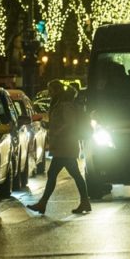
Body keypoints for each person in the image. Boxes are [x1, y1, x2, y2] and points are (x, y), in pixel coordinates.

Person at [27, 81, 91, 215]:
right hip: (63, 146)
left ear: (56, 90)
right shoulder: (59, 104)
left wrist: (56, 131)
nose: (49, 93)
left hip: (66, 145)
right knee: (74, 174)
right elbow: (60, 123)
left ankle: (43, 204)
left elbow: (69, 123)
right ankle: (85, 202)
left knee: (54, 174)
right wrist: (46, 125)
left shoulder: (65, 105)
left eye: (51, 90)